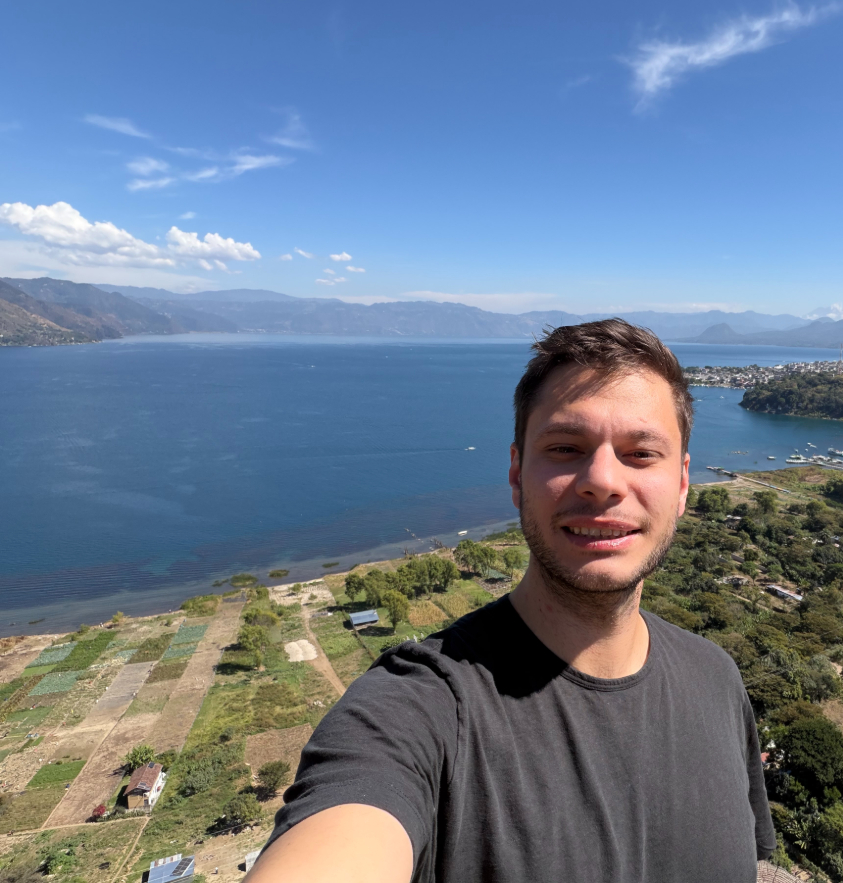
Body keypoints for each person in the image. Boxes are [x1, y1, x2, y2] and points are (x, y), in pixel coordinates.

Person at [248, 319, 774, 883]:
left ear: (684, 485)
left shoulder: (717, 680)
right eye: (566, 448)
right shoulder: (421, 710)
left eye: (641, 453)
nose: (601, 481)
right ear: (517, 474)